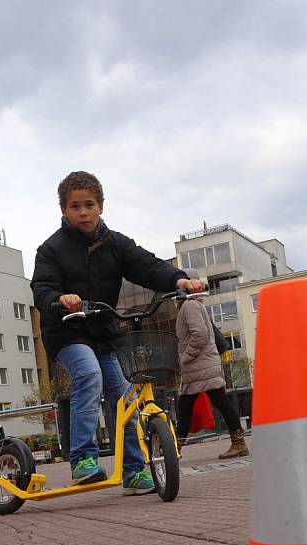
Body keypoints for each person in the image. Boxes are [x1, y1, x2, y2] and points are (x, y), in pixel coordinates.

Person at [31, 171, 203, 490]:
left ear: (101, 206)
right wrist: (59, 299)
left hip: (104, 331)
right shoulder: (51, 249)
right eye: (75, 206)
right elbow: (41, 287)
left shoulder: (116, 244)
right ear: (64, 210)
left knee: (124, 394)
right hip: (67, 331)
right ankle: (83, 458)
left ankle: (134, 471)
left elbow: (147, 266)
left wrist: (178, 280)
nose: (83, 212)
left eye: (89, 205)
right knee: (89, 375)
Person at [175, 269, 249, 459]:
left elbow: (199, 334)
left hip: (199, 366)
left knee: (188, 407)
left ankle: (175, 450)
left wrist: (185, 357)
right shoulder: (193, 305)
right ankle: (175, 449)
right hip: (201, 366)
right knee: (209, 404)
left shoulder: (189, 306)